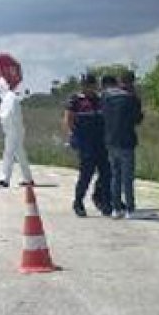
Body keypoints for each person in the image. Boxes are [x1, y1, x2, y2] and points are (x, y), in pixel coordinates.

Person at [64, 74, 111, 216]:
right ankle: (78, 202)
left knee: (106, 173)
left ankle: (102, 199)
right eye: (89, 85)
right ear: (83, 86)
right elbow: (68, 119)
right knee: (86, 174)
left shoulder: (100, 100)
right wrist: (73, 136)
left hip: (101, 142)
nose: (91, 88)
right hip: (85, 142)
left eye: (93, 85)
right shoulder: (76, 100)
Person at [101, 71, 143, 219]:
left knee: (115, 176)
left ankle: (116, 208)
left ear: (120, 81)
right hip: (127, 141)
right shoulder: (132, 99)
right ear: (132, 82)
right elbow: (137, 119)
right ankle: (130, 210)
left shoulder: (106, 97)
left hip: (111, 140)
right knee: (127, 178)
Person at [0, 77, 35, 188]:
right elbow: (3, 115)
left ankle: (4, 179)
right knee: (20, 155)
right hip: (13, 130)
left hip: (14, 131)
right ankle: (28, 179)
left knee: (8, 153)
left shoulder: (10, 97)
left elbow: (6, 115)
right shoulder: (8, 98)